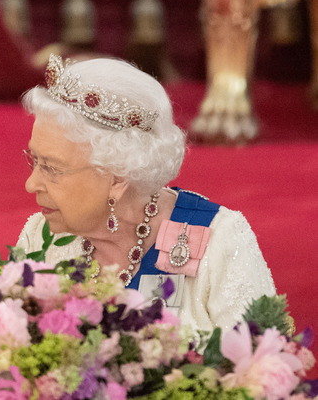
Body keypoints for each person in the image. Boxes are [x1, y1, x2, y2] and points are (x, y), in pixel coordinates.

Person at [16, 54, 276, 334]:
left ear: (117, 177)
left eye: (52, 168)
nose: (31, 184)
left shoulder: (219, 242)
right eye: (35, 161)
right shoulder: (41, 239)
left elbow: (262, 367)